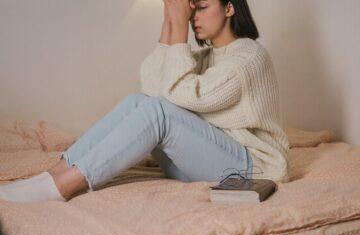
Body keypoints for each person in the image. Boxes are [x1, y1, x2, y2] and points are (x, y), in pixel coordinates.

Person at [0, 0, 290, 203]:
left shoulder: (250, 57)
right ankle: (54, 174)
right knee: (138, 101)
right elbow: (151, 86)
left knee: (157, 112)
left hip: (249, 170)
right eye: (192, 12)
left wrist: (179, 29)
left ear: (229, 8)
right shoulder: (205, 58)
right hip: (205, 164)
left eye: (202, 7)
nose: (194, 18)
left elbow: (185, 95)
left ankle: (62, 187)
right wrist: (170, 21)